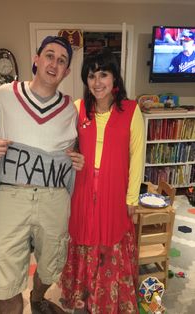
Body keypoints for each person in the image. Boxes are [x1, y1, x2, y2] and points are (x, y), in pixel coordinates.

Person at [0, 36, 84, 314]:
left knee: (50, 264)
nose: (54, 63)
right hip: (13, 196)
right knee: (6, 279)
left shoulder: (71, 109)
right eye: (49, 55)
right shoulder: (5, 94)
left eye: (62, 60)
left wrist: (77, 157)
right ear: (36, 59)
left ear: (67, 71)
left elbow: (74, 148)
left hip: (54, 199)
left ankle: (38, 297)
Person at [59, 49, 144, 313]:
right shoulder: (78, 109)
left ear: (114, 78)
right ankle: (84, 296)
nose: (97, 82)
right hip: (83, 190)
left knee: (111, 238)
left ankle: (108, 300)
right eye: (91, 75)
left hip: (115, 192)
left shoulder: (131, 111)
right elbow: (62, 145)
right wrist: (72, 155)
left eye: (103, 74)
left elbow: (137, 155)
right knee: (84, 236)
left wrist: (132, 197)